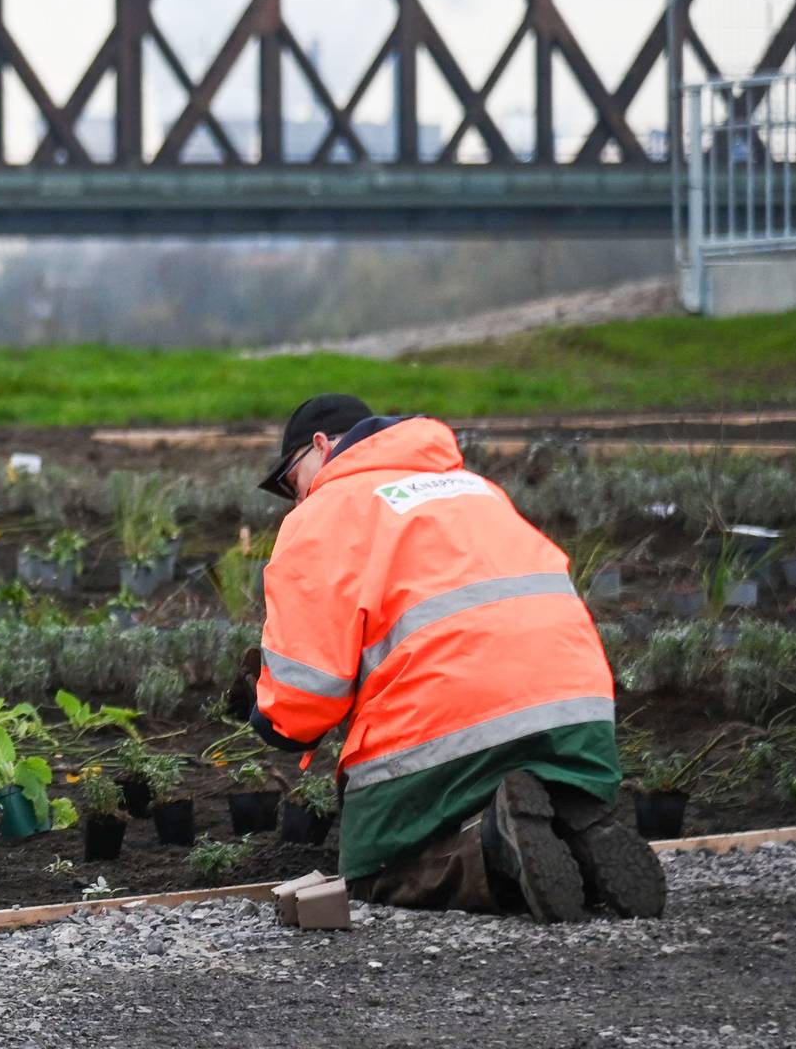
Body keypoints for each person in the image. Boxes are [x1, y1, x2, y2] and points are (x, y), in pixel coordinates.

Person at [240, 393, 665, 922]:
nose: (295, 498)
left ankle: (495, 848)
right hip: (577, 714)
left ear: (322, 446)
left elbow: (305, 694)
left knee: (377, 868)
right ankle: (575, 830)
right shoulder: (476, 489)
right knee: (516, 786)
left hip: (451, 729)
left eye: (291, 481)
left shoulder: (324, 513)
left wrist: (266, 715)